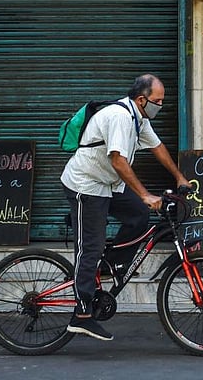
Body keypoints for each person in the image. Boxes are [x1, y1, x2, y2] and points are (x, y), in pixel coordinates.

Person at [61, 74, 189, 341]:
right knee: (90, 247)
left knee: (139, 216)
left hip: (107, 184)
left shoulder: (138, 117)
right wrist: (144, 194)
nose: (161, 105)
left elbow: (158, 147)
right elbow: (118, 160)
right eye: (158, 101)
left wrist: (179, 176)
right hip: (86, 185)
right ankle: (82, 315)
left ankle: (112, 265)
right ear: (142, 99)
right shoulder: (120, 116)